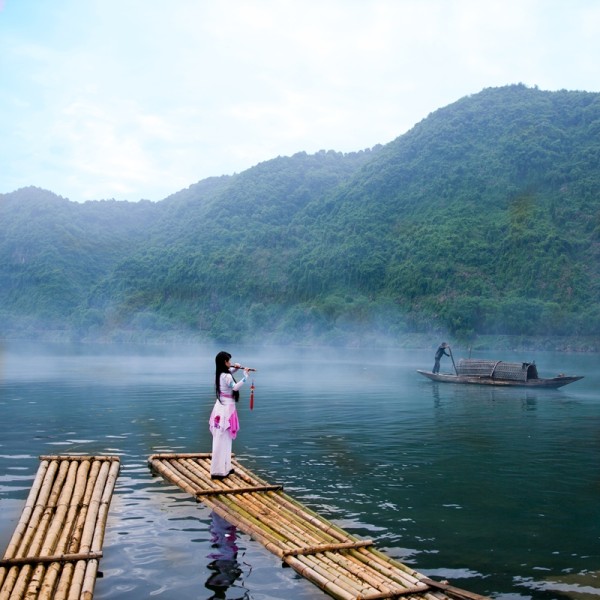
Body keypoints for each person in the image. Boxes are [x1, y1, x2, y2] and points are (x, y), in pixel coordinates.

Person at [209, 351, 250, 479]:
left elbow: (228, 375)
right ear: (224, 362)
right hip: (226, 410)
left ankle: (224, 468)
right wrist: (245, 377)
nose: (230, 363)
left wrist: (235, 369)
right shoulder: (226, 376)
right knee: (224, 440)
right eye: (229, 361)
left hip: (220, 408)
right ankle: (219, 471)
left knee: (221, 439)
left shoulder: (219, 374)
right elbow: (235, 387)